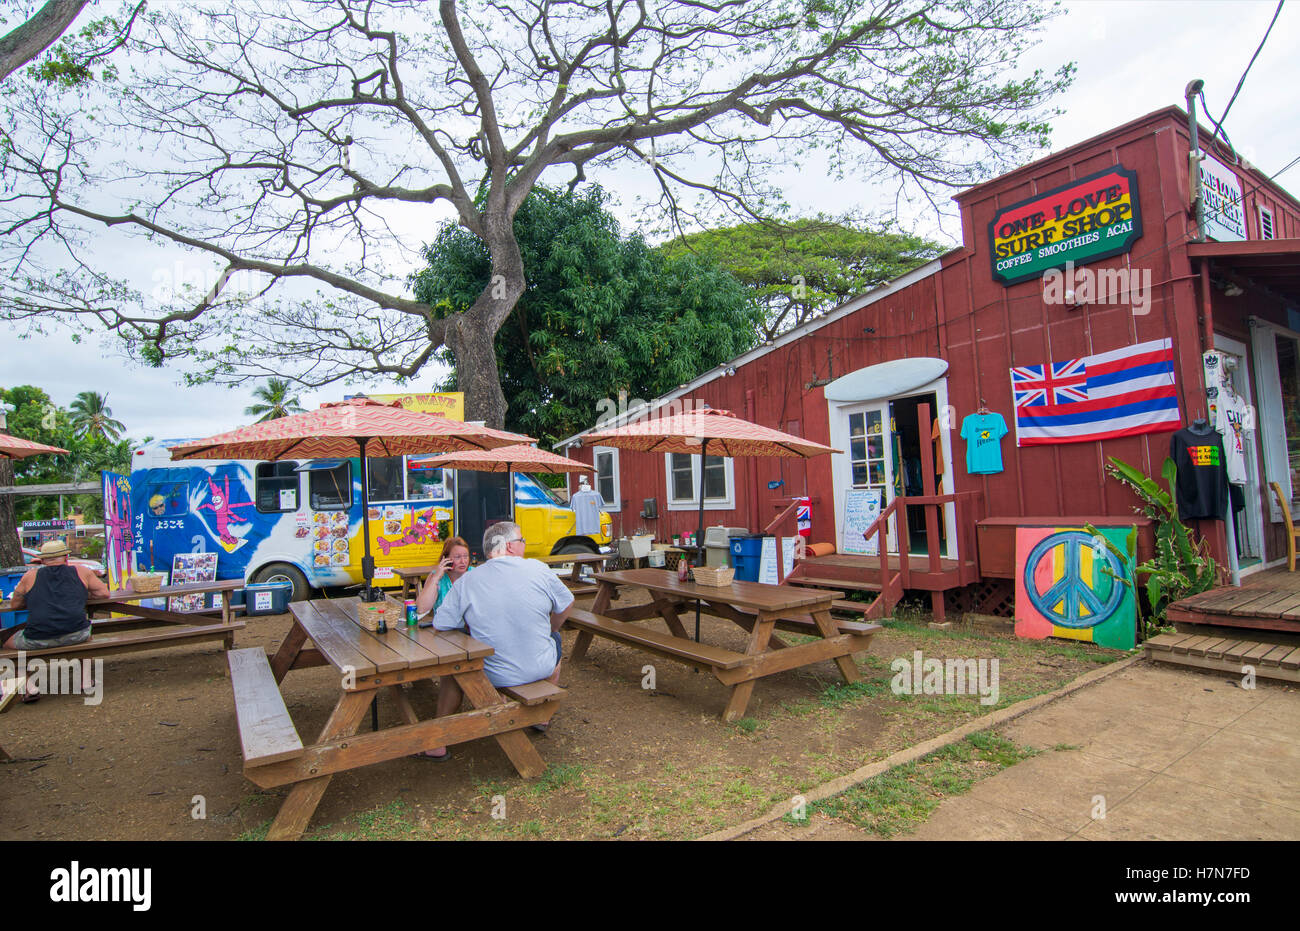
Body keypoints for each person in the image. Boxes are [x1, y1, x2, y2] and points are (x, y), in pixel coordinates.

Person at [417, 520, 573, 760]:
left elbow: (441, 623)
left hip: (492, 674)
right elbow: (567, 602)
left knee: (455, 669)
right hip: (540, 666)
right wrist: (551, 628)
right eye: (521, 541)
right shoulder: (539, 569)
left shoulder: (469, 580)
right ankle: (542, 715)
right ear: (508, 546)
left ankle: (438, 742)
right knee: (555, 639)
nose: (524, 545)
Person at [5, 539, 109, 701]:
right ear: (66, 557)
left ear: (43, 560)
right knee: (87, 634)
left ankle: (29, 687)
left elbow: (15, 604)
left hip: (37, 638)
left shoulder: (30, 576)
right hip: (77, 634)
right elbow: (104, 593)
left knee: (6, 644)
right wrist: (80, 595)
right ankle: (86, 681)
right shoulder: (82, 571)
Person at [414, 535, 472, 619]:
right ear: (446, 559)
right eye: (457, 557)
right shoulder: (437, 576)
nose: (463, 561)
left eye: (466, 556)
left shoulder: (474, 574)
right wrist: (435, 579)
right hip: (445, 628)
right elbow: (421, 609)